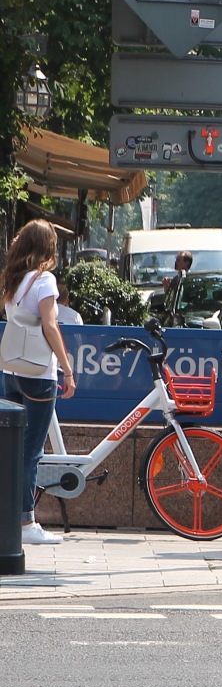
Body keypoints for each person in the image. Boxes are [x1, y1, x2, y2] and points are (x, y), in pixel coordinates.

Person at [1, 220, 77, 545]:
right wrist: (67, 368)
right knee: (31, 450)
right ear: (48, 246)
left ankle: (9, 517)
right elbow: (50, 325)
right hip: (38, 373)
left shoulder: (11, 279)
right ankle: (26, 523)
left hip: (11, 369)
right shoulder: (45, 280)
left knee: (13, 448)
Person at [162, 250, 193, 326]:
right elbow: (170, 299)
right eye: (176, 259)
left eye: (179, 260)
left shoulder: (189, 280)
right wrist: (166, 286)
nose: (176, 262)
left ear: (187, 263)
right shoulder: (177, 279)